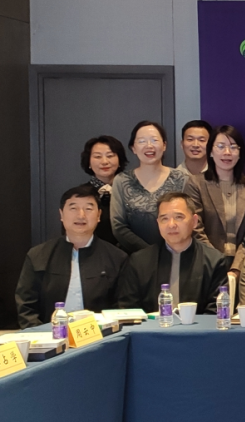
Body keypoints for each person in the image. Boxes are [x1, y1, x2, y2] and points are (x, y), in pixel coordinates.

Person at [16, 185, 127, 328]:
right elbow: (26, 307)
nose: (81, 215)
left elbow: (122, 309)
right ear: (61, 214)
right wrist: (41, 335)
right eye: (73, 208)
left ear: (99, 215)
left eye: (88, 208)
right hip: (47, 336)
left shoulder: (117, 258)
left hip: (101, 336)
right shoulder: (38, 255)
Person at [116, 193, 229, 314]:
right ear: (158, 223)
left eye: (179, 217)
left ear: (194, 221)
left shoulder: (214, 261)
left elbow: (216, 312)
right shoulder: (139, 261)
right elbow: (128, 310)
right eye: (164, 219)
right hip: (152, 326)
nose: (171, 225)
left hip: (199, 326)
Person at [185, 125, 245, 265]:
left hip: (242, 262)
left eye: (233, 147)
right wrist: (216, 261)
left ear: (240, 153)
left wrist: (236, 267)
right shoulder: (196, 184)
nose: (227, 152)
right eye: (220, 146)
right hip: (206, 261)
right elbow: (195, 228)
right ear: (211, 152)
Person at [111, 121, 189, 253]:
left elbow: (189, 220)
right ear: (133, 148)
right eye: (142, 141)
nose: (149, 146)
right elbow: (118, 225)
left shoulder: (182, 179)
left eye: (154, 140)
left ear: (164, 145)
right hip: (133, 256)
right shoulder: (122, 180)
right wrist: (148, 253)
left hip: (175, 254)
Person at [81, 135, 128, 246]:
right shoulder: (81, 195)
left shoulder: (130, 190)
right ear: (89, 162)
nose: (104, 161)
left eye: (110, 156)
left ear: (119, 160)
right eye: (97, 157)